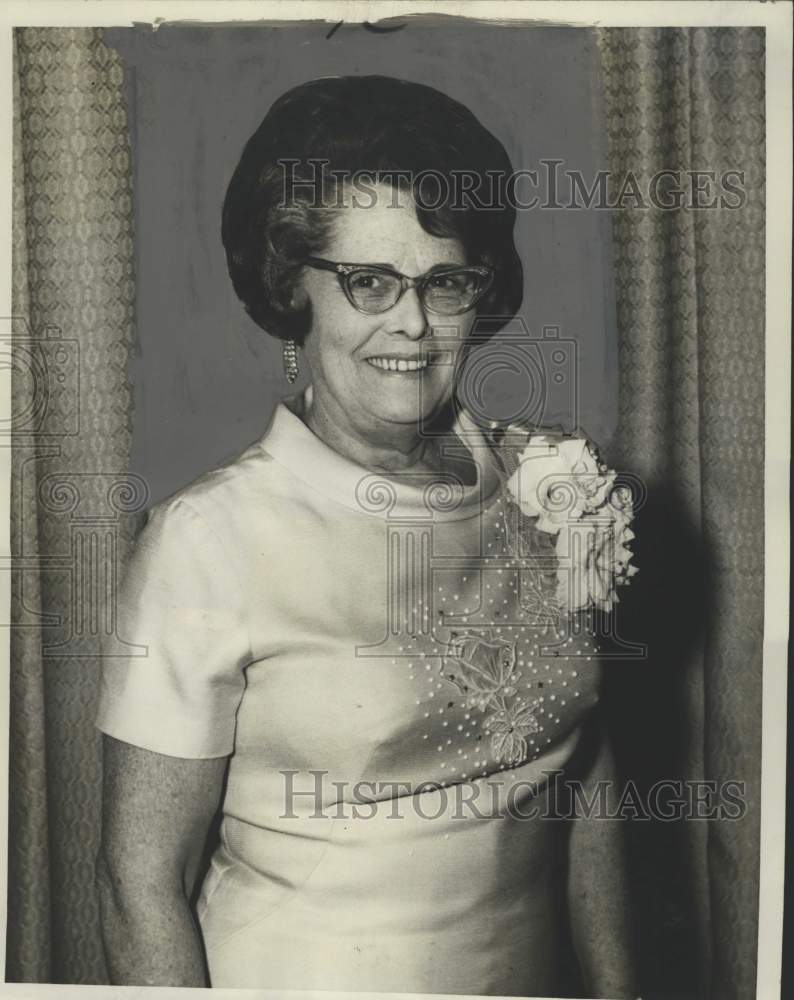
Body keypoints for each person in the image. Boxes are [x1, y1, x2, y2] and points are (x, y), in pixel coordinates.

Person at [95, 75, 637, 997]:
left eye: (446, 282)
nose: (414, 325)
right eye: (369, 282)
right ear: (292, 290)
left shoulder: (557, 489)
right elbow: (136, 886)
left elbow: (585, 774)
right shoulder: (208, 539)